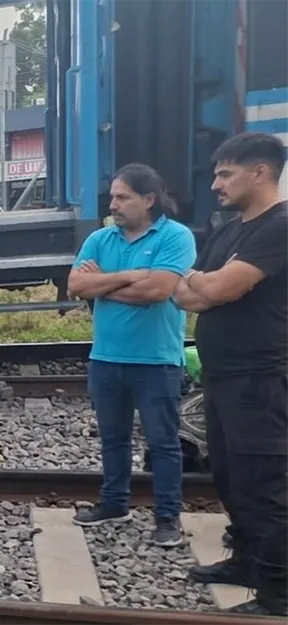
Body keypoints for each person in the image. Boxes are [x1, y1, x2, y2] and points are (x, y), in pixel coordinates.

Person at [174, 132, 287, 616]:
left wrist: (213, 285)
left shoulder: (279, 227)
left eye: (225, 173)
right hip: (223, 379)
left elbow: (216, 287)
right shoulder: (229, 230)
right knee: (229, 477)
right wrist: (212, 285)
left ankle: (279, 593)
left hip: (260, 380)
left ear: (259, 172)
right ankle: (245, 561)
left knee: (266, 484)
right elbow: (185, 292)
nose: (216, 183)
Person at [65, 163, 197, 546]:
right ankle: (114, 503)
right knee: (113, 438)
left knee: (163, 443)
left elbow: (158, 291)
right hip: (106, 358)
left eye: (123, 197)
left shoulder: (176, 236)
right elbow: (75, 284)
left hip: (157, 360)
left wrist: (102, 284)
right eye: (113, 197)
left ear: (149, 199)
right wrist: (136, 275)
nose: (114, 204)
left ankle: (168, 517)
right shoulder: (100, 239)